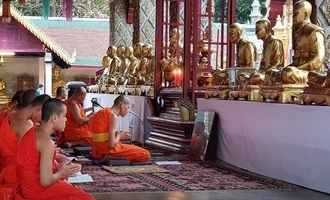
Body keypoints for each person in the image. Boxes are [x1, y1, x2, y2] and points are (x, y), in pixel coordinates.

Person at [16, 99, 94, 200]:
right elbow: (45, 181)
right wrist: (62, 172)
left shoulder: (33, 130)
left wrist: (59, 167)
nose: (66, 120)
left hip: (25, 186)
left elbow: (35, 165)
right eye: (64, 116)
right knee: (85, 197)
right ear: (54, 118)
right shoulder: (47, 143)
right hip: (36, 191)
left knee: (71, 188)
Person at [0, 90, 49, 198]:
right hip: (17, 176)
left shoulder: (5, 114)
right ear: (38, 107)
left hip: (4, 169)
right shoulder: (27, 124)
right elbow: (33, 158)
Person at [89, 95, 150, 162]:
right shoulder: (113, 116)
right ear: (122, 105)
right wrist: (120, 136)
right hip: (107, 151)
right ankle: (111, 158)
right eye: (128, 107)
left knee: (132, 147)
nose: (128, 110)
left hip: (96, 151)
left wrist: (117, 134)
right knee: (145, 153)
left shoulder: (101, 112)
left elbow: (102, 135)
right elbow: (111, 145)